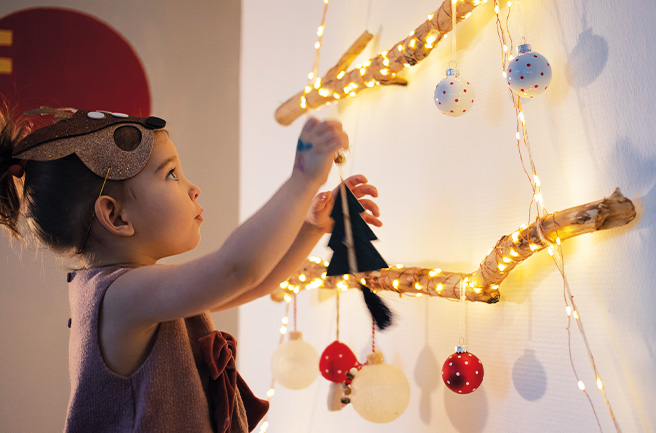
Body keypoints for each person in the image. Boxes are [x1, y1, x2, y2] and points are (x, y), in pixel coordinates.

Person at [0, 106, 381, 433]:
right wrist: (303, 177)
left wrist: (312, 227)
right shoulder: (120, 298)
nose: (193, 188)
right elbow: (235, 270)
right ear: (115, 216)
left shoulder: (136, 290)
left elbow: (251, 282)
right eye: (171, 175)